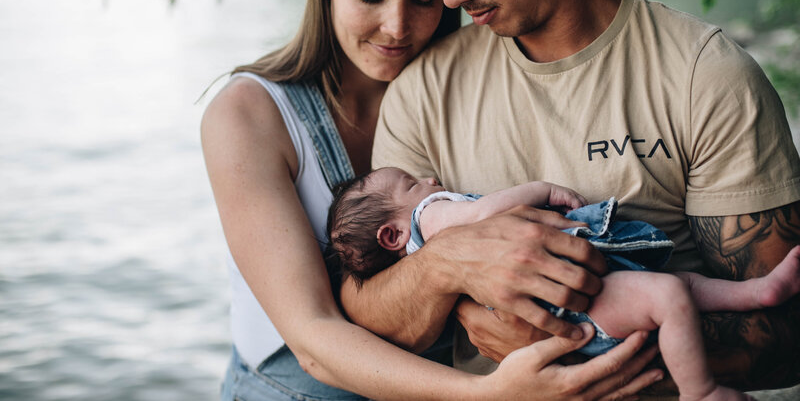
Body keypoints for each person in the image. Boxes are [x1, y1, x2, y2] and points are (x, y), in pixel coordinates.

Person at [335, 0, 800, 398]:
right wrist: (445, 265)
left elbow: (786, 332)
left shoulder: (704, 77)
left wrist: (568, 339)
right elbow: (373, 314)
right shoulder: (424, 89)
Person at [201, 0, 665, 399]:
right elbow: (313, 337)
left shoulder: (456, 88)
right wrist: (488, 395)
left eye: (423, 0)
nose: (397, 27)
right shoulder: (249, 114)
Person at [329, 167, 800, 400]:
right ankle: (700, 392)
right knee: (673, 293)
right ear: (392, 234)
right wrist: (543, 192)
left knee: (678, 287)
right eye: (412, 183)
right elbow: (481, 213)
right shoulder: (426, 217)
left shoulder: (412, 244)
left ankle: (758, 292)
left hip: (571, 295)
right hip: (577, 302)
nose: (429, 178)